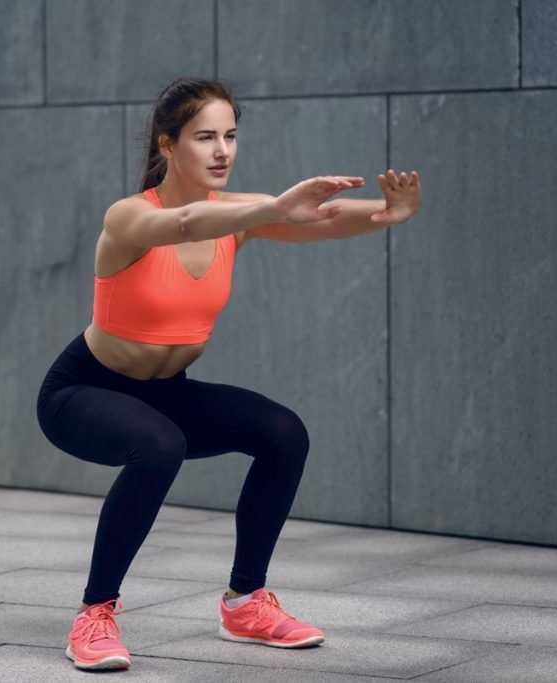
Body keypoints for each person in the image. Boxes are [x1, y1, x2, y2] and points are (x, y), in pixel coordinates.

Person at [36, 77, 422, 671]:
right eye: (205, 137)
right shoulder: (128, 218)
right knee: (159, 445)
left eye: (231, 136)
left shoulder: (240, 215)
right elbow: (187, 224)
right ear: (168, 145)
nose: (222, 150)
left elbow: (320, 218)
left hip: (167, 394)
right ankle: (94, 614)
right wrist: (269, 207)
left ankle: (245, 603)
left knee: (282, 431)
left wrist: (385, 214)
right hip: (83, 391)